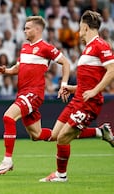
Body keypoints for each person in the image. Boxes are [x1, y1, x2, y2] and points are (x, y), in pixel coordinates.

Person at [40, 10, 114, 182]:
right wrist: (73, 89)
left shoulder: (100, 45)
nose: (78, 31)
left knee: (64, 137)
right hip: (78, 99)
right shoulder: (88, 48)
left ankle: (61, 175)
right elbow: (88, 82)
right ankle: (99, 132)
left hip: (89, 102)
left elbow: (112, 71)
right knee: (56, 135)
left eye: (80, 28)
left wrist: (95, 91)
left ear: (85, 27)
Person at [0, 16, 71, 175]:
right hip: (23, 93)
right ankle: (84, 132)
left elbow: (66, 63)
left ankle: (7, 160)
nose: (24, 30)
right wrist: (5, 71)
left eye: (28, 28)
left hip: (33, 93)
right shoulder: (25, 47)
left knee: (8, 117)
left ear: (37, 29)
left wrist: (63, 85)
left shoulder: (45, 47)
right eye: (24, 28)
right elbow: (18, 67)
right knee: (37, 135)